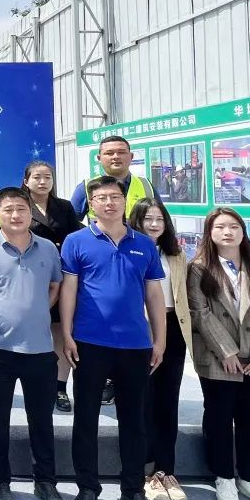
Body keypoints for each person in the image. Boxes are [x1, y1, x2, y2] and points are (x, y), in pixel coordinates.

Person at [59, 176, 168, 500]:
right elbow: (69, 290)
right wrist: (67, 334)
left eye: (115, 197)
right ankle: (87, 488)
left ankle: (132, 490)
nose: (109, 203)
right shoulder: (76, 241)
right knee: (86, 418)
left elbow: (154, 295)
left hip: (135, 345)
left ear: (124, 201)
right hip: (89, 343)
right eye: (101, 198)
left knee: (134, 421)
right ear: (91, 204)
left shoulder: (144, 244)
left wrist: (160, 340)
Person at [0, 188, 70, 500]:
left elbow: (55, 286)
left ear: (30, 213)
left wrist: (38, 310)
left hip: (40, 349)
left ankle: (46, 482)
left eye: (21, 209)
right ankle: (0, 482)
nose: (16, 215)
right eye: (9, 210)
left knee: (41, 420)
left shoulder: (48, 249)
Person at [188, 207, 250, 500]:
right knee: (218, 416)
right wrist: (226, 350)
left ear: (243, 232)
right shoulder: (199, 268)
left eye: (233, 226)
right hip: (219, 356)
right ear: (210, 232)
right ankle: (224, 476)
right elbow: (200, 312)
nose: (227, 232)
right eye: (220, 227)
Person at [68, 135, 158, 406]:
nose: (115, 157)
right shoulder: (86, 187)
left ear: (131, 156)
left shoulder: (145, 185)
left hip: (138, 260)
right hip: (98, 263)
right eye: (109, 153)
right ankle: (107, 383)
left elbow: (158, 218)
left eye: (121, 152)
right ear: (99, 158)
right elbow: (71, 220)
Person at [127, 198, 191, 500]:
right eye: (147, 219)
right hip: (140, 329)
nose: (154, 224)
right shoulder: (129, 251)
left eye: (159, 219)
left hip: (173, 328)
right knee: (144, 401)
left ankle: (166, 471)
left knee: (168, 401)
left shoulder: (176, 255)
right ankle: (146, 471)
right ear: (136, 222)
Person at [22, 160, 83, 413]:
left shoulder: (64, 207)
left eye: (47, 177)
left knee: (61, 332)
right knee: (34, 332)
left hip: (61, 276)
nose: (43, 181)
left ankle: (60, 387)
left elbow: (75, 238)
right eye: (37, 177)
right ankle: (36, 387)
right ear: (26, 181)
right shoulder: (20, 206)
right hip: (29, 277)